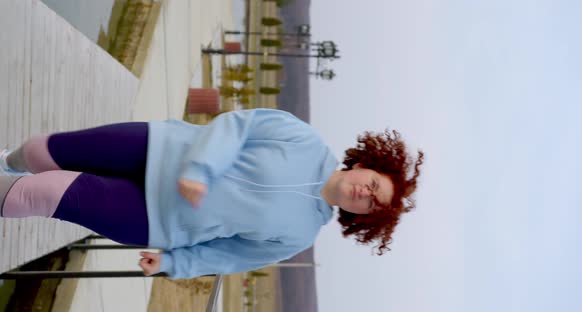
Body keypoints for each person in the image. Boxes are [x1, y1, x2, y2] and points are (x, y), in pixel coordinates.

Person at [0, 109, 424, 279]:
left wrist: (174, 263)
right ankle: (9, 161)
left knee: (37, 195)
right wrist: (201, 169)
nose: (365, 193)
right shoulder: (304, 140)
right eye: (374, 184)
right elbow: (237, 126)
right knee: (39, 151)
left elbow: (230, 255)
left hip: (152, 217)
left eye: (372, 203)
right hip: (158, 147)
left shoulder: (300, 235)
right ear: (365, 164)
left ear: (361, 216)